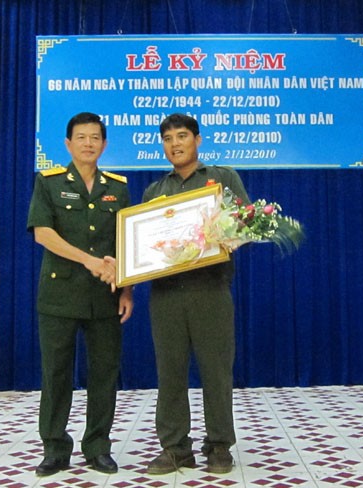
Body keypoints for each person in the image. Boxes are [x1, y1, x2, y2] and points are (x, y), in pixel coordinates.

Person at [142, 113, 250, 475]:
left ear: (198, 139)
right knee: (169, 373)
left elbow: (246, 223)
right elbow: (143, 246)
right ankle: (175, 448)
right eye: (168, 138)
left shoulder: (223, 178)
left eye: (182, 136)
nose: (175, 144)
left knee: (216, 372)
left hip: (211, 290)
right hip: (166, 295)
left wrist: (232, 237)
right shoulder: (155, 192)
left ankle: (219, 446)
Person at [27, 112, 133, 476]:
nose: (88, 143)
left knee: (104, 373)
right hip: (59, 295)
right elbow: (43, 233)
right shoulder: (50, 182)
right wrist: (88, 260)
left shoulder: (117, 187)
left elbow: (126, 243)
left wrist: (127, 290)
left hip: (105, 296)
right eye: (81, 137)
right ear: (68, 144)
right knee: (56, 374)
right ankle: (55, 448)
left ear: (104, 144)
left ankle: (98, 447)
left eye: (95, 138)